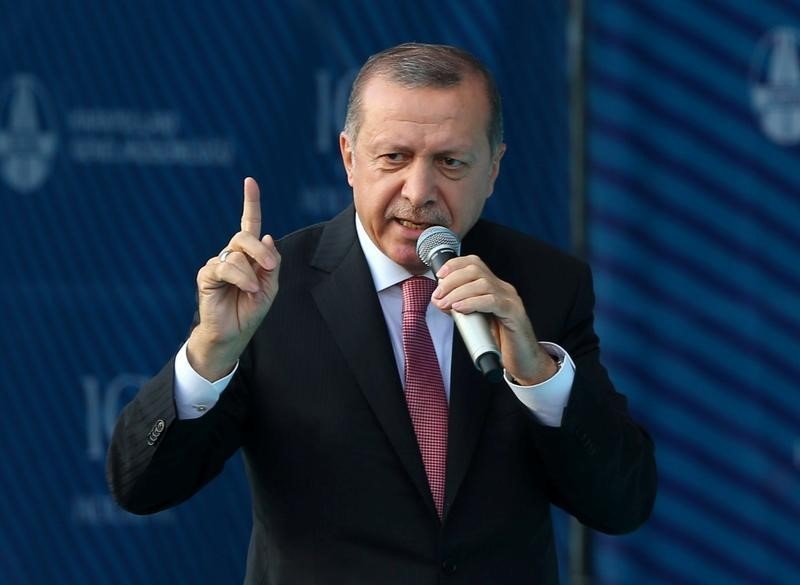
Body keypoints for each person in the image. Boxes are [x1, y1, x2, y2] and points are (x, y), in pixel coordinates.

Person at [107, 43, 656, 584]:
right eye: (393, 157)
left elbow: (622, 503)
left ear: (493, 168)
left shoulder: (544, 286)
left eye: (450, 162)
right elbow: (141, 487)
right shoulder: (269, 289)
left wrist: (537, 374)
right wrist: (209, 354)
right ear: (349, 158)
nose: (419, 193)